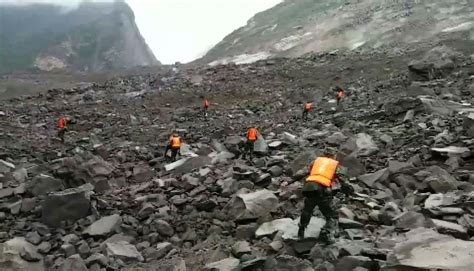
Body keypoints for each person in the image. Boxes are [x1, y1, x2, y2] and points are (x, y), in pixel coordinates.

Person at [298, 149, 352, 243]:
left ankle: (301, 231)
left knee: (307, 210)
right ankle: (327, 234)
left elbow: (302, 172)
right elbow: (343, 179)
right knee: (331, 214)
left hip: (309, 188)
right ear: (334, 155)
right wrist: (349, 191)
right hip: (323, 190)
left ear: (324, 154)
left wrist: (288, 181)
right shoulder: (335, 164)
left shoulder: (316, 162)